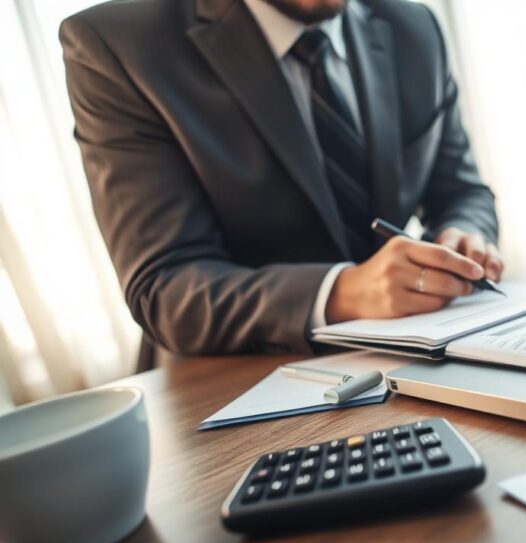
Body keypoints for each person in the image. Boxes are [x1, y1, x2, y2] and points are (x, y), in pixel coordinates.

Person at [60, 0, 503, 362]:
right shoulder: (118, 45)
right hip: (230, 380)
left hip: (407, 354)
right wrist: (343, 292)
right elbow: (166, 288)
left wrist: (465, 234)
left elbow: (462, 191)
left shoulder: (414, 27)